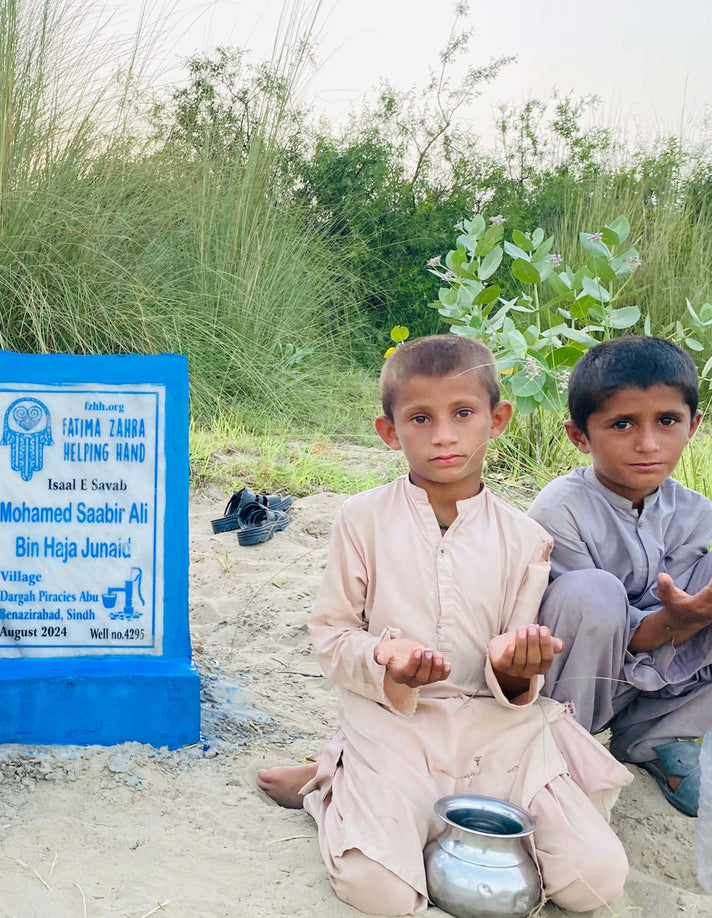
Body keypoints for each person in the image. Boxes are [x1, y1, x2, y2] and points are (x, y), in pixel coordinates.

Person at [257, 335, 631, 916]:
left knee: (594, 881)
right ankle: (333, 783)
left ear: (497, 419)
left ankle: (361, 788)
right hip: (395, 724)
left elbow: (513, 670)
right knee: (381, 892)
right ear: (390, 431)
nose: (444, 435)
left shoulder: (525, 538)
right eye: (420, 418)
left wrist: (513, 668)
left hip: (496, 733)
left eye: (463, 413)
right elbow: (332, 636)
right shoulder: (361, 521)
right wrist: (385, 659)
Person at [528, 336, 712, 817]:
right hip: (577, 683)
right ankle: (563, 754)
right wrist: (681, 623)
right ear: (579, 436)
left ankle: (655, 737)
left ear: (693, 425)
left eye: (667, 421)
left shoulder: (695, 513)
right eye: (622, 423)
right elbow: (583, 627)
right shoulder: (559, 510)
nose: (648, 444)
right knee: (593, 592)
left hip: (662, 675)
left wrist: (683, 620)